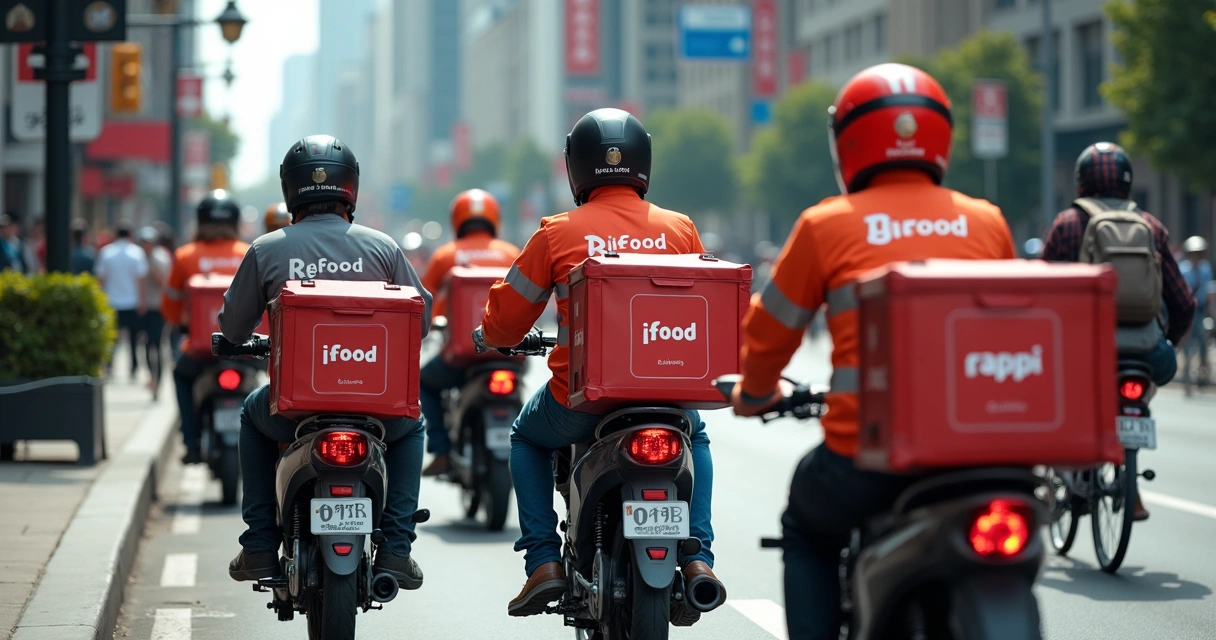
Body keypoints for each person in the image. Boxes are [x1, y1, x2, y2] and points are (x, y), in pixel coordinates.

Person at [728, 64, 1018, 639]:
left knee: (806, 529)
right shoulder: (987, 222)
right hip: (984, 454)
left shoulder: (825, 225)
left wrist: (754, 394)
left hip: (865, 458)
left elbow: (768, 335)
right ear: (941, 137)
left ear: (848, 142)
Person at [472, 108, 725, 620]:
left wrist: (490, 336)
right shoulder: (679, 229)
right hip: (666, 398)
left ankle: (543, 561)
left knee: (525, 438)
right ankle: (697, 557)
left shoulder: (556, 233)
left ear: (577, 167)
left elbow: (506, 321)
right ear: (643, 163)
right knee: (694, 436)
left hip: (581, 403)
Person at [218, 135, 433, 591]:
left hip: (293, 410)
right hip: (376, 408)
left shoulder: (266, 249)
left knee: (252, 416)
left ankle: (259, 544)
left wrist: (240, 340)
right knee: (413, 424)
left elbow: (234, 327)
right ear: (350, 187)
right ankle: (396, 548)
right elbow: (423, 319)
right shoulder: (383, 248)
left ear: (290, 190)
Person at [1042, 142, 1195, 392]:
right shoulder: (1151, 226)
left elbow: (1042, 295)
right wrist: (1168, 340)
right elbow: (1184, 303)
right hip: (1146, 352)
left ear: (1081, 181)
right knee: (1164, 365)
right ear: (1128, 181)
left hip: (1081, 349)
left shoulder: (1066, 224)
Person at [419, 189, 521, 476]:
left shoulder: (445, 255)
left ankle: (441, 451)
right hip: (511, 353)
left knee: (425, 382)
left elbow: (422, 301)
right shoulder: (511, 253)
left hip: (461, 356)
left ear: (457, 219)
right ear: (494, 218)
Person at [162, 192, 250, 463]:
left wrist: (182, 325)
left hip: (201, 350)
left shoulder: (185, 256)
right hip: (246, 348)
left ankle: (191, 442)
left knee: (181, 376)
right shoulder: (248, 253)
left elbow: (170, 305)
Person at [95, 222, 149, 380]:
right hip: (132, 301)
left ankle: (109, 365)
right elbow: (140, 281)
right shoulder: (137, 252)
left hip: (111, 302)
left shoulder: (107, 252)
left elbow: (101, 279)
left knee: (112, 338)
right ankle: (134, 367)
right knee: (133, 338)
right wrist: (142, 301)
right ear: (130, 235)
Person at [138, 226, 172, 400]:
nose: (145, 245)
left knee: (157, 345)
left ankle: (157, 383)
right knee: (145, 345)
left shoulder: (160, 257)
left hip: (159, 308)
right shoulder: (139, 257)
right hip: (144, 307)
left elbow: (164, 282)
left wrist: (150, 265)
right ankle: (151, 377)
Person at [1180, 235, 1212, 390]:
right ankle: (1187, 375)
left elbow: (1208, 291)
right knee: (1187, 344)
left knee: (1203, 342)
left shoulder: (1206, 269)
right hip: (1188, 312)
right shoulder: (1183, 269)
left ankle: (1202, 374)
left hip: (1201, 310)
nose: (1196, 257)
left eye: (1199, 253)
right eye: (1194, 253)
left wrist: (1211, 311)